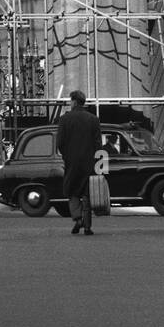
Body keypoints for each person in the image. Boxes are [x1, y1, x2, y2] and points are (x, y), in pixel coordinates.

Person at [56, 89, 102, 235]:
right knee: (87, 194)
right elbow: (98, 144)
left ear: (74, 101)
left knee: (72, 191)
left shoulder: (64, 119)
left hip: (72, 162)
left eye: (70, 101)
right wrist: (100, 166)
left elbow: (60, 143)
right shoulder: (93, 119)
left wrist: (67, 156)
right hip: (89, 163)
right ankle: (88, 226)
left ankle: (77, 219)